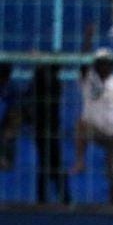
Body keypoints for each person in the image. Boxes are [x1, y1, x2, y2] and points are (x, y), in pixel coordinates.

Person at [72, 48, 113, 206]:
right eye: (102, 63)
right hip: (95, 127)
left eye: (108, 63)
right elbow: (82, 64)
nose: (105, 67)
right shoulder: (88, 78)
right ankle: (80, 161)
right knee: (81, 124)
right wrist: (87, 41)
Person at [28, 64, 71, 205]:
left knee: (49, 163)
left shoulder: (46, 84)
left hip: (46, 128)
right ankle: (60, 198)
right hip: (46, 128)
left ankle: (49, 198)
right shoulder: (48, 83)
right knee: (51, 163)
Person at [0, 63, 20, 172]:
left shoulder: (11, 89)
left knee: (9, 134)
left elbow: (15, 112)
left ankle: (6, 159)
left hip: (8, 115)